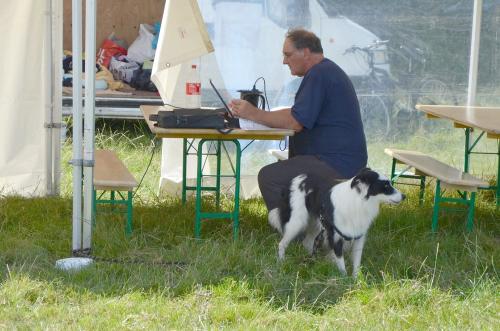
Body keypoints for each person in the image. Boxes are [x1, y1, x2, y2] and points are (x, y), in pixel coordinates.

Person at [229, 28, 367, 214]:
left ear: (306, 52)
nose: (284, 61)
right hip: (339, 159)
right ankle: (308, 223)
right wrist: (259, 114)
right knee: (282, 170)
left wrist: (253, 113)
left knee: (269, 176)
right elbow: (299, 114)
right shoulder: (325, 71)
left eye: (287, 55)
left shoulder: (319, 74)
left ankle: (294, 232)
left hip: (336, 163)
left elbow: (295, 121)